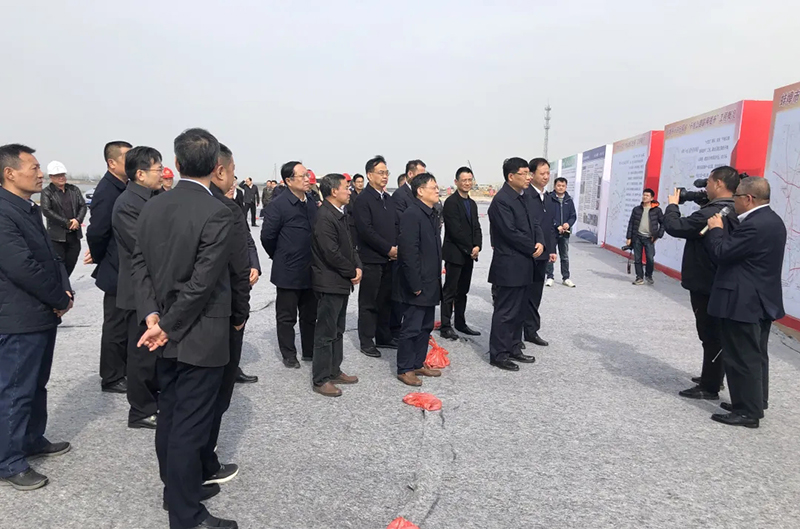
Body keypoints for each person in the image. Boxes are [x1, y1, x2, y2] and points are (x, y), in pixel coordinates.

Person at [133, 128, 238, 529]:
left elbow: (139, 265)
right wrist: (167, 326)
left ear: (176, 164)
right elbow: (202, 282)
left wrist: (152, 316)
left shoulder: (153, 205)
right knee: (189, 426)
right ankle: (186, 515)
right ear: (215, 167)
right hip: (198, 332)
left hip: (162, 327)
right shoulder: (217, 211)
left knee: (171, 415)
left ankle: (176, 492)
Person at [0, 144, 73, 492]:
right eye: (34, 168)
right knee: (15, 389)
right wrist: (58, 298)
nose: (41, 174)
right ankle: (8, 460)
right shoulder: (3, 213)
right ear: (9, 173)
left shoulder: (27, 209)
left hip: (41, 313)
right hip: (18, 318)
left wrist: (65, 290)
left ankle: (31, 438)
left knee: (35, 384)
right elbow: (22, 267)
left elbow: (51, 256)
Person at [704, 177, 786, 428]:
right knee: (756, 354)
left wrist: (716, 229)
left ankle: (747, 412)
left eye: (737, 196)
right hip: (760, 299)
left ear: (749, 199)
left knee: (741, 356)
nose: (734, 201)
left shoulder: (754, 225)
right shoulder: (772, 220)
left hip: (743, 300)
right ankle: (754, 401)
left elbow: (722, 252)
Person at [199, 143, 251, 489]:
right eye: (232, 170)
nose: (234, 177)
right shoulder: (225, 209)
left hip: (171, 321)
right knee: (214, 395)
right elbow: (236, 269)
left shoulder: (161, 204)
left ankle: (184, 470)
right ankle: (204, 462)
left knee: (182, 400)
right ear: (219, 170)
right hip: (218, 317)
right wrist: (239, 315)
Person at [662, 166, 737, 400]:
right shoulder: (735, 209)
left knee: (710, 334)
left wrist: (673, 205)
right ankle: (713, 376)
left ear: (719, 184)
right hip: (722, 279)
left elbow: (675, 227)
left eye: (709, 183)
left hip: (706, 281)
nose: (706, 187)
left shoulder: (711, 213)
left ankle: (709, 386)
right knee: (716, 333)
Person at [111, 146, 164, 430]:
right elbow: (144, 247)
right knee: (142, 353)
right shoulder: (127, 204)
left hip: (155, 286)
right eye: (158, 169)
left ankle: (155, 400)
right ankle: (141, 410)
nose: (162, 174)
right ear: (140, 174)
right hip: (138, 290)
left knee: (154, 352)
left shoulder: (154, 198)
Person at [488, 158, 543, 371]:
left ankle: (513, 347)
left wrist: (540, 242)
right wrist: (531, 247)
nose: (529, 177)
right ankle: (499, 354)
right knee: (506, 312)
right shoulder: (501, 201)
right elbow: (510, 233)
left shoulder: (523, 197)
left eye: (529, 173)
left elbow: (535, 223)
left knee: (519, 311)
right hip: (509, 265)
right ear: (511, 176)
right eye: (524, 173)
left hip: (525, 263)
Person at [261, 161, 318, 368]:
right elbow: (267, 237)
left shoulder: (311, 202)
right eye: (302, 176)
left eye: (307, 175)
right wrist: (280, 256)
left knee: (310, 315)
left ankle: (310, 351)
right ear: (288, 181)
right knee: (287, 316)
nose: (307, 179)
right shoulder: (278, 205)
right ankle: (289, 354)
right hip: (288, 270)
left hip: (310, 268)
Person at [86, 140, 132, 394]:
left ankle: (123, 369)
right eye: (127, 158)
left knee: (125, 323)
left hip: (123, 266)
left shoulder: (124, 186)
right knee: (115, 325)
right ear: (112, 163)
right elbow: (97, 231)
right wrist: (99, 256)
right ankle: (112, 376)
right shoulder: (107, 190)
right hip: (115, 267)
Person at [310, 174, 362, 397]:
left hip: (341, 281)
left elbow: (350, 246)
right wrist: (351, 271)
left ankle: (334, 369)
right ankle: (321, 378)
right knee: (325, 332)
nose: (349, 191)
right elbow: (330, 252)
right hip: (329, 282)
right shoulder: (324, 216)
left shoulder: (340, 213)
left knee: (337, 330)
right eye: (346, 187)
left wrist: (358, 266)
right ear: (333, 191)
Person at [394, 173, 444, 386]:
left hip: (431, 281)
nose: (437, 190)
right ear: (420, 191)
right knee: (412, 327)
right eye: (433, 187)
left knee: (425, 326)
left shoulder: (431, 213)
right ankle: (405, 368)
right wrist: (415, 284)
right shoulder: (412, 214)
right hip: (417, 284)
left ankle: (417, 362)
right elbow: (408, 253)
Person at [353, 155, 399, 358]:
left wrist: (396, 248)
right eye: (381, 173)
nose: (385, 176)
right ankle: (366, 340)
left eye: (386, 173)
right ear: (369, 175)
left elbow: (395, 225)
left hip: (390, 259)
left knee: (386, 300)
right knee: (369, 302)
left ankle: (383, 336)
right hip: (372, 259)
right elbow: (366, 230)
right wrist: (387, 248)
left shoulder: (388, 199)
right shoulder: (363, 200)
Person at [439, 167, 483, 340]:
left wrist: (478, 246)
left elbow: (476, 227)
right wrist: (469, 248)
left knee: (463, 291)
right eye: (464, 180)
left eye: (469, 180)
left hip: (469, 255)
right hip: (455, 254)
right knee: (450, 290)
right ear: (456, 182)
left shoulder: (472, 204)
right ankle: (445, 326)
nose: (467, 183)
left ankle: (460, 322)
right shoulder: (451, 202)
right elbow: (455, 231)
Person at [522, 158, 557, 347]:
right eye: (542, 173)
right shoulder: (525, 196)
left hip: (543, 254)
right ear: (532, 174)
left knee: (536, 293)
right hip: (528, 253)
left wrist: (551, 249)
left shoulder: (549, 198)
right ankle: (515, 333)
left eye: (548, 173)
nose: (546, 177)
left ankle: (531, 331)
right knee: (522, 294)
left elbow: (550, 227)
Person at [40, 160, 87, 277]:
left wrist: (77, 220)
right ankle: (61, 284)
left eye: (62, 175)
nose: (61, 178)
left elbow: (83, 205)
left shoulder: (74, 190)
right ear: (51, 177)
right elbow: (46, 210)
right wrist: (66, 222)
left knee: (71, 261)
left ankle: (64, 282)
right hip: (57, 236)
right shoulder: (47, 192)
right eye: (57, 175)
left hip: (74, 234)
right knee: (58, 264)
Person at [625, 188, 665, 285]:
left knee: (650, 258)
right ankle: (639, 277)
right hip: (637, 237)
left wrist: (658, 235)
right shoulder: (636, 209)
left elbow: (663, 223)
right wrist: (629, 237)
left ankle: (648, 275)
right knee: (637, 259)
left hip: (650, 238)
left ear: (652, 198)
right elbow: (631, 223)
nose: (644, 197)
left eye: (647, 195)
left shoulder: (657, 210)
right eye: (644, 195)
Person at [545, 176, 577, 288]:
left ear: (566, 187)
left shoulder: (569, 200)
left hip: (565, 233)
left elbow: (573, 216)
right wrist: (556, 225)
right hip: (552, 232)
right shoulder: (549, 198)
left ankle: (566, 278)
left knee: (565, 256)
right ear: (554, 186)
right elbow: (547, 215)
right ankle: (550, 277)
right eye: (558, 185)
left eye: (563, 186)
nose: (561, 187)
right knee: (551, 254)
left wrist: (568, 224)